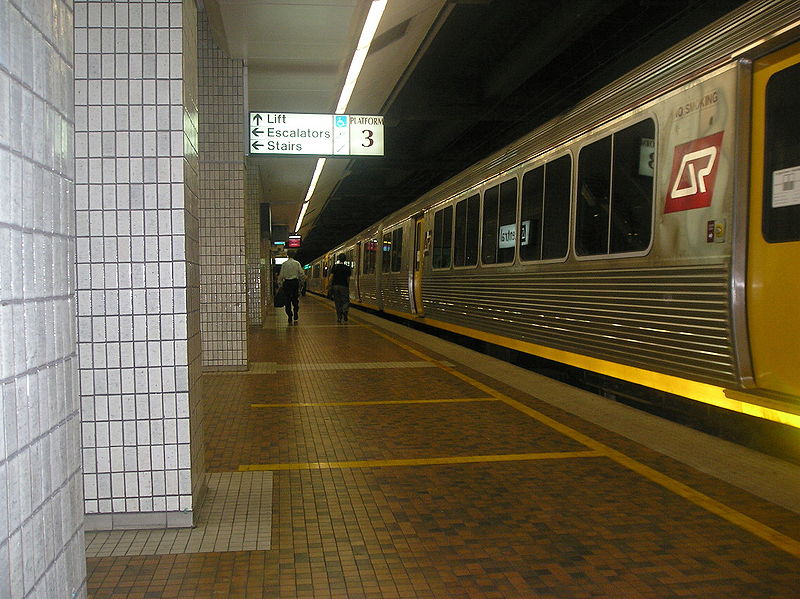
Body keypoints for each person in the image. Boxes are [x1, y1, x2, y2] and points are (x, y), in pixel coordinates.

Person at [278, 251, 305, 323]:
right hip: (295, 283)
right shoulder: (297, 263)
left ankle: (289, 315)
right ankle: (295, 312)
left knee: (287, 300)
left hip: (287, 283)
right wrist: (302, 282)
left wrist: (279, 283)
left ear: (287, 255)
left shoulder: (284, 264)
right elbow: (302, 274)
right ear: (294, 255)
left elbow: (281, 275)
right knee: (295, 299)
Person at [328, 253, 352, 323]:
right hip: (344, 286)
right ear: (345, 259)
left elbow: (331, 277)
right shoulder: (347, 268)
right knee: (345, 300)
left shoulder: (335, 267)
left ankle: (339, 317)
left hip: (335, 286)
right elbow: (348, 279)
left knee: (337, 302)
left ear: (338, 259)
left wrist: (329, 285)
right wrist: (347, 285)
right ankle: (345, 311)